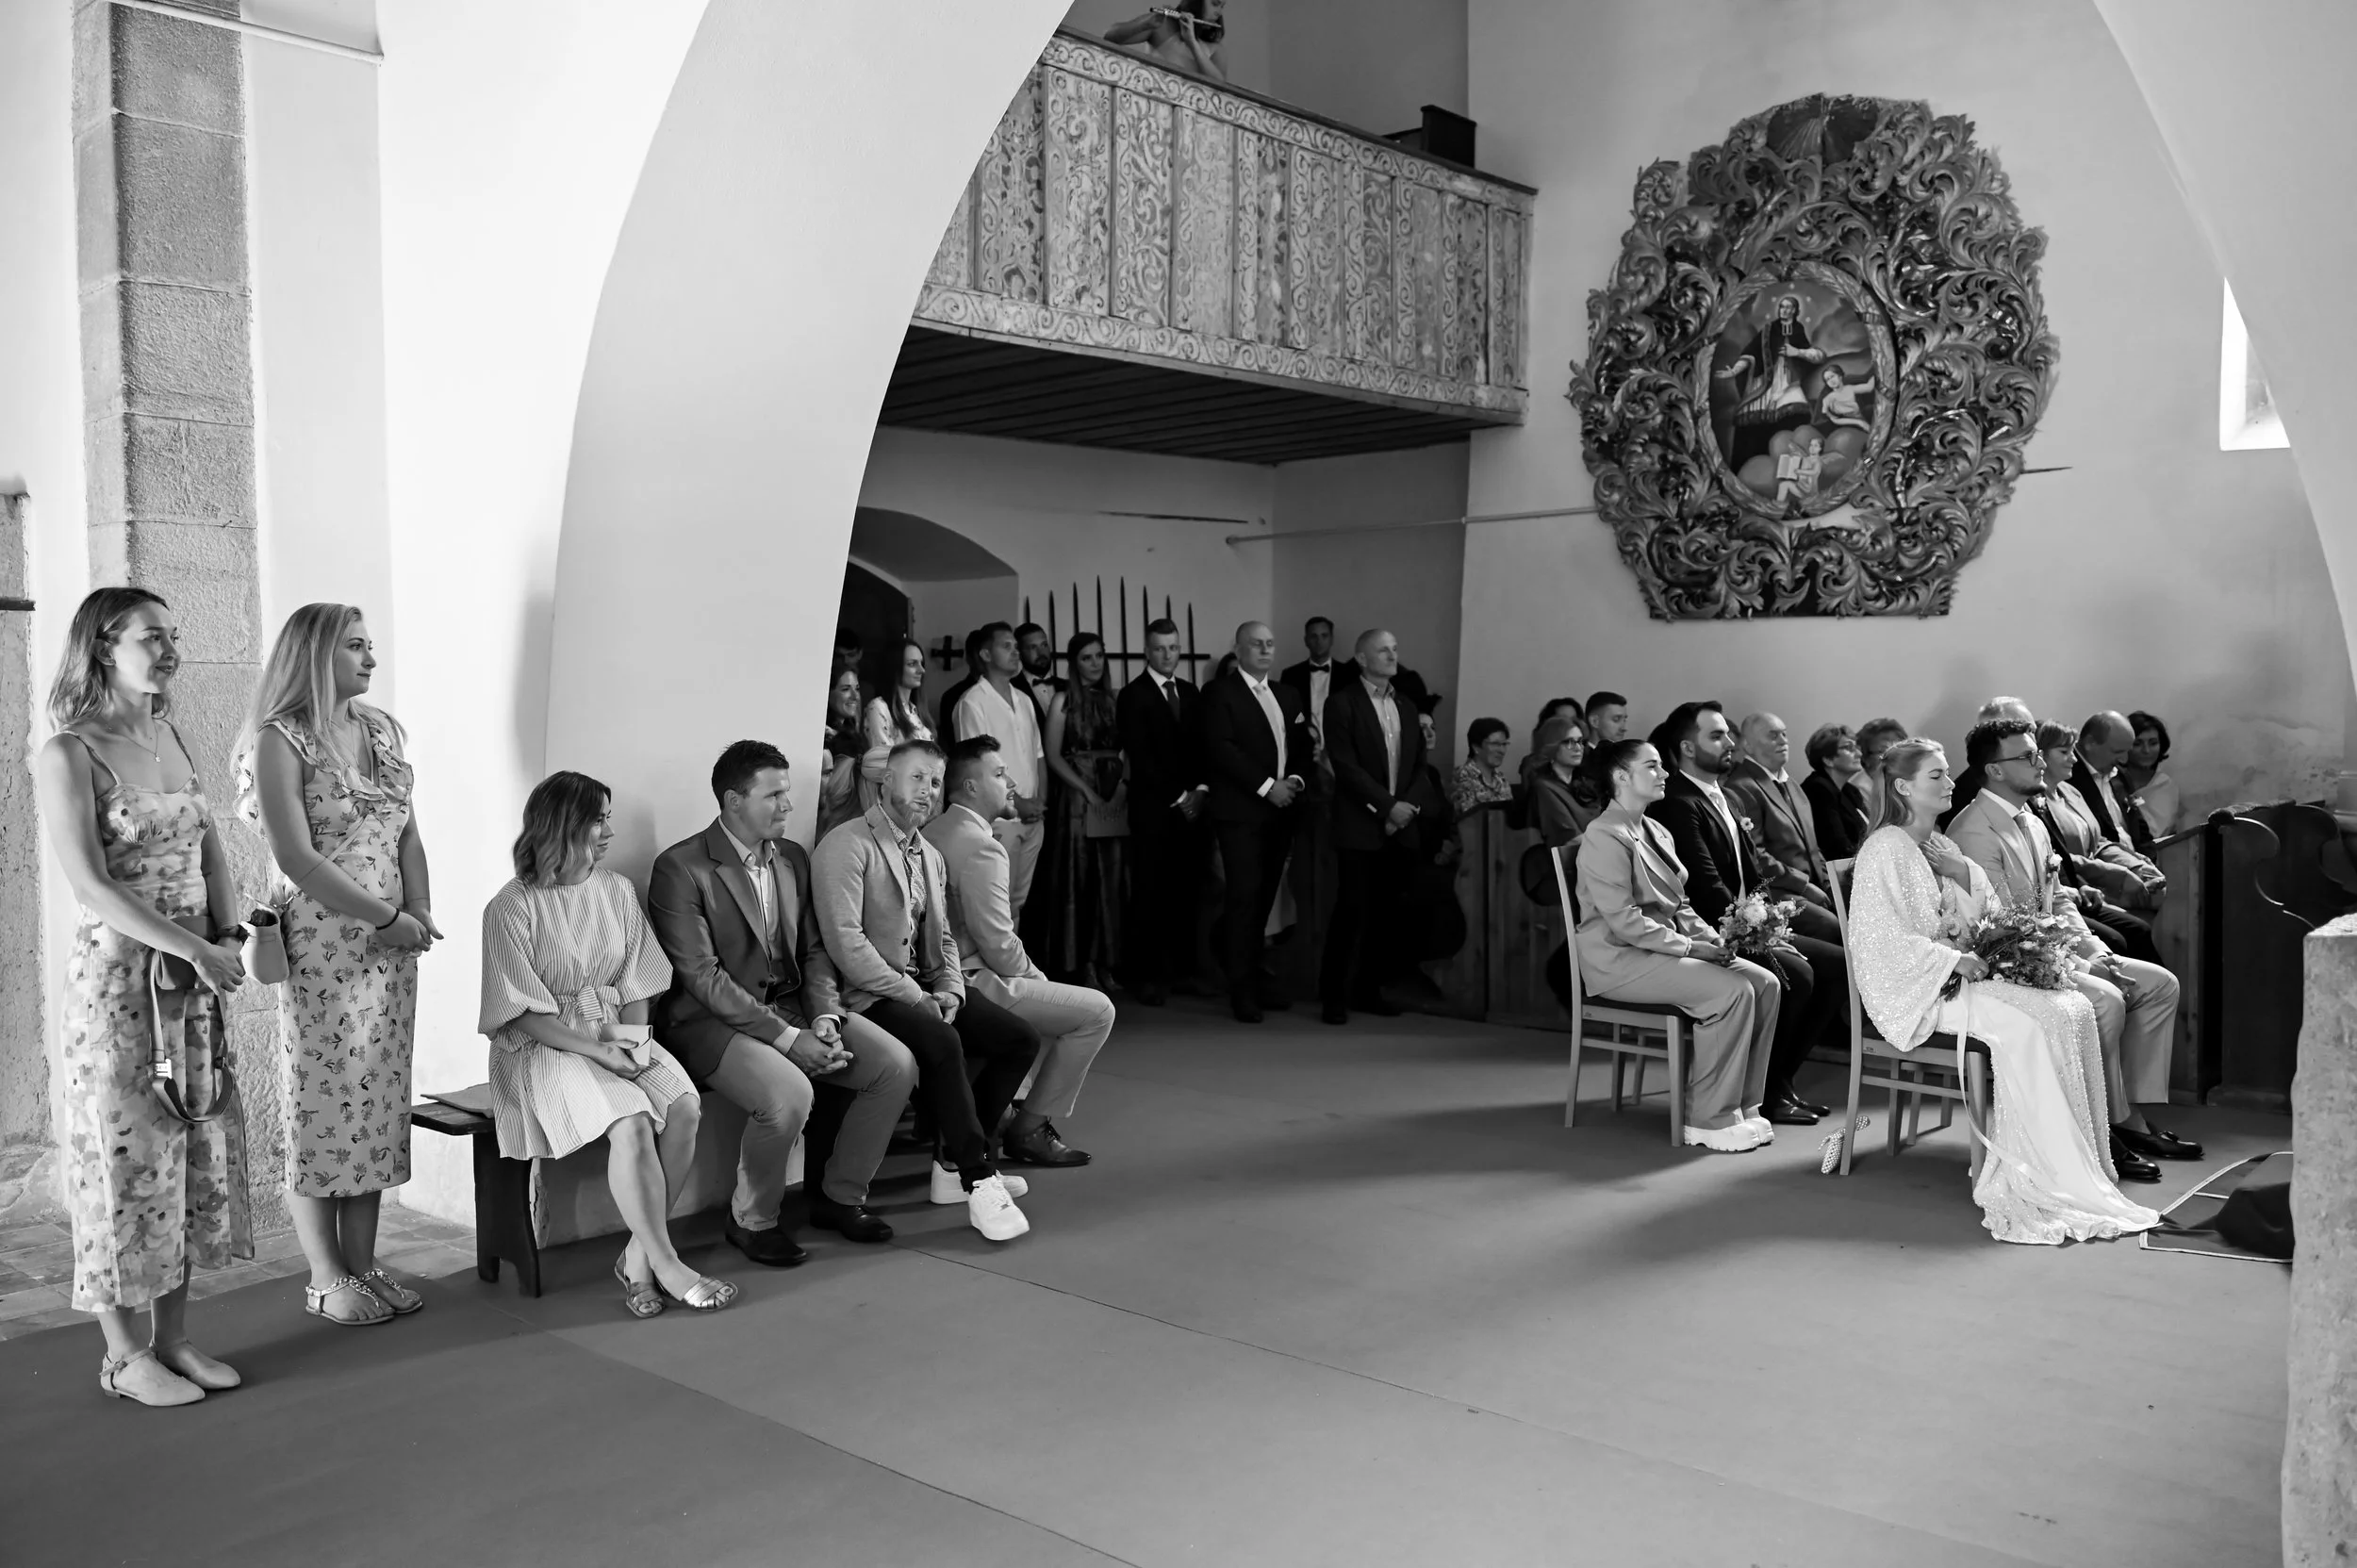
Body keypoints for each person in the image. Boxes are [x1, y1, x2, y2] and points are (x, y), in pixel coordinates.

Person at [35, 588, 252, 1405]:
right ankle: (123, 1358)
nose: (169, 649)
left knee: (187, 1151)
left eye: (173, 634)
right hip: (120, 986)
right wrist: (193, 946)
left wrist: (226, 936)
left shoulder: (169, 734)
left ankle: (175, 1340)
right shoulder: (68, 753)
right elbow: (90, 884)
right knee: (121, 1160)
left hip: (192, 976)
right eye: (151, 636)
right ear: (102, 648)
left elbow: (209, 845)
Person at [1845, 739, 2163, 1246]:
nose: (1951, 784)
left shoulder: (1936, 843)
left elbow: (1983, 914)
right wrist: (1953, 959)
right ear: (1904, 787)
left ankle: (2075, 1163)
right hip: (1922, 987)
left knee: (2074, 1006)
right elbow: (1879, 941)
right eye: (1937, 777)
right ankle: (2039, 1173)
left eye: (1948, 774)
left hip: (1962, 974)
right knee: (2033, 1022)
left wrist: (1961, 872)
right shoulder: (1884, 848)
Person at [238, 602, 436, 1328]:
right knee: (323, 1101)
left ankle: (366, 1260)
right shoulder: (279, 739)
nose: (370, 657)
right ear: (315, 654)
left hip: (391, 941)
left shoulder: (380, 730)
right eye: (355, 645)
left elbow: (406, 829)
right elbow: (295, 856)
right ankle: (325, 1274)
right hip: (324, 941)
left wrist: (418, 904)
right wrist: (385, 916)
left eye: (370, 644)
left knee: (377, 1098)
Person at [479, 772, 737, 1316]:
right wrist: (597, 1050)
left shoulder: (616, 890)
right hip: (545, 1048)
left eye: (607, 819)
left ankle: (638, 1257)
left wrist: (635, 1043)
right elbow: (520, 1014)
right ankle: (668, 1264)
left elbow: (639, 978)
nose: (608, 832)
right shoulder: (510, 907)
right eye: (598, 819)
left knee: (684, 1107)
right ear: (562, 826)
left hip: (616, 1030)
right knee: (633, 1122)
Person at [649, 742, 918, 1258]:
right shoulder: (680, 868)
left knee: (894, 1065)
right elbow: (701, 977)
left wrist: (823, 1017)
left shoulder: (793, 857)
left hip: (793, 1005)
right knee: (789, 1095)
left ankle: (840, 1198)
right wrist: (789, 1039)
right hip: (707, 1024)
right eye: (774, 795)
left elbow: (814, 951)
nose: (788, 807)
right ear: (732, 801)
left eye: (787, 794)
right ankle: (752, 1221)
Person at [1943, 720, 2200, 1181]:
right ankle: (2104, 1123)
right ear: (1994, 771)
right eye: (2026, 757)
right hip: (2005, 964)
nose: (2040, 761)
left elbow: (2057, 899)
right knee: (2106, 998)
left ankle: (2128, 1113)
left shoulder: (2033, 822)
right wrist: (2083, 965)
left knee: (2159, 984)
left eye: (2037, 753)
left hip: (2048, 949)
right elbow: (2002, 926)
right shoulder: (1975, 831)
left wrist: (2096, 950)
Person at [810, 740, 1040, 1240]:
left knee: (1018, 1039)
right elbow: (846, 947)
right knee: (941, 1041)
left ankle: (955, 1162)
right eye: (916, 778)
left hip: (923, 989)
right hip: (867, 996)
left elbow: (947, 938)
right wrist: (919, 998)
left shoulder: (930, 854)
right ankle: (978, 1179)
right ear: (886, 780)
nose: (927, 791)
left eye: (935, 783)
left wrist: (952, 990)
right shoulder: (845, 844)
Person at [1574, 738, 1783, 1152]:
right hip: (1620, 959)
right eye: (1651, 766)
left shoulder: (1655, 829)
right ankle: (1707, 1117)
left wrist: (1716, 941)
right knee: (1732, 991)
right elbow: (1625, 921)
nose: (1664, 773)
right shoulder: (1603, 835)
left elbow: (1681, 906)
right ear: (1621, 777)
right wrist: (1693, 950)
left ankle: (1743, 1106)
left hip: (1659, 951)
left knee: (1765, 984)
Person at [1647, 701, 1846, 1126]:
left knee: (1838, 967)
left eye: (1728, 734)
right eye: (1716, 736)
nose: (1729, 743)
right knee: (1802, 974)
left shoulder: (1725, 797)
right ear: (1685, 747)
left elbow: (1752, 872)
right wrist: (1757, 929)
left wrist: (1772, 916)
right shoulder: (1679, 803)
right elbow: (1704, 888)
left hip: (1746, 921)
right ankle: (1765, 1090)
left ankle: (1780, 1083)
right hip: (1711, 932)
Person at [927, 737, 1114, 1167]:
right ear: (970, 787)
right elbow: (998, 943)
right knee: (1096, 1011)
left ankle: (1013, 1108)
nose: (1010, 782)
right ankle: (1028, 1126)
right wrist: (1039, 981)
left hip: (942, 975)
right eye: (998, 774)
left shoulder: (933, 830)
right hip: (972, 981)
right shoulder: (981, 847)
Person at [1200, 620, 1312, 1021]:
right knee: (1244, 898)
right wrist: (1268, 786)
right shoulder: (1220, 692)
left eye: (1270, 644)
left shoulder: (1288, 693)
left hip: (1282, 811)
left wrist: (1294, 781)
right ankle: (1240, 989)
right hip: (1241, 813)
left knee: (1265, 901)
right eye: (1256, 644)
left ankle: (1254, 976)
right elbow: (1221, 749)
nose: (1265, 650)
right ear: (1239, 648)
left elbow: (1302, 746)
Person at [1318, 630, 1427, 1024]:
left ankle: (1370, 989)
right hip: (1362, 825)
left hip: (1401, 824)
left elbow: (1419, 767)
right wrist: (1386, 808)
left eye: (1395, 649)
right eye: (1383, 650)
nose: (1392, 655)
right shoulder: (1342, 704)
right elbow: (1346, 768)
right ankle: (1333, 995)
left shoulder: (1408, 705)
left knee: (1387, 914)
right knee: (1351, 911)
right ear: (1362, 658)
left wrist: (1407, 808)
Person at [1115, 618, 1208, 1006]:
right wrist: (1180, 795)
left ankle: (1183, 972)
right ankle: (1147, 977)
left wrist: (1200, 791)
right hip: (1154, 807)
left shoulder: (1190, 691)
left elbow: (1205, 746)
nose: (1167, 655)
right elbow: (1140, 754)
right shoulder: (1133, 694)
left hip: (1193, 808)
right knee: (1150, 892)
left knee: (1188, 892)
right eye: (1159, 648)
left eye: (1173, 648)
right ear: (1147, 650)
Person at [1039, 632, 1128, 988]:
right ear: (1075, 664)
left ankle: (1108, 961)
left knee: (1112, 878)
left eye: (1099, 656)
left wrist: (1121, 786)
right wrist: (1085, 789)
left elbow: (1128, 749)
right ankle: (1082, 964)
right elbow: (1053, 755)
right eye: (1087, 658)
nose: (1095, 663)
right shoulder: (1063, 701)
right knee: (1081, 878)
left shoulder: (1116, 699)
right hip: (1078, 798)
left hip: (1113, 795)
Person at [952, 622, 1049, 918]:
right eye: (1006, 646)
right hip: (1000, 817)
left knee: (1018, 903)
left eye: (1016, 646)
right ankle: (991, 966)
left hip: (1033, 815)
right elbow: (977, 766)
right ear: (985, 653)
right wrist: (1017, 803)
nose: (1015, 651)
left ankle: (1011, 965)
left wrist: (1039, 802)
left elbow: (1038, 755)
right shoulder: (973, 702)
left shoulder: (1024, 700)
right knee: (996, 904)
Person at [2042, 721, 2166, 912]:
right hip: (2076, 889)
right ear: (2040, 756)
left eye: (2072, 751)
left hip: (2106, 882)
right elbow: (2055, 856)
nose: (2074, 759)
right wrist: (2116, 874)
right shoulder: (2035, 803)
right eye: (2064, 752)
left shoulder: (2070, 791)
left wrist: (2133, 865)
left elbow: (2098, 841)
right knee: (2135, 930)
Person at [1527, 713, 1601, 1011]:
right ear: (1551, 746)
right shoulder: (1545, 786)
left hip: (1589, 865)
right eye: (1568, 741)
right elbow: (1568, 841)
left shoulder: (1581, 783)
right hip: (1560, 871)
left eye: (1580, 741)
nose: (1576, 747)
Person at [1726, 711, 1834, 909]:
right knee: (1832, 928)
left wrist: (1831, 885)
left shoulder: (1792, 785)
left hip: (1814, 885)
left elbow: (1812, 847)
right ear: (1748, 745)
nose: (1783, 741)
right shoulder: (1741, 787)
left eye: (1784, 734)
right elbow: (1756, 855)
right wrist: (1803, 885)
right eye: (1773, 735)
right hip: (1779, 891)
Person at [862, 635, 935, 818]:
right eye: (912, 664)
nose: (921, 670)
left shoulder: (916, 711)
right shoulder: (878, 708)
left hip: (925, 800)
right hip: (895, 806)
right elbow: (882, 763)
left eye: (921, 663)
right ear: (894, 668)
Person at [2072, 711, 2162, 861]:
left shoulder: (2120, 774)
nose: (2124, 759)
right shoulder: (2068, 778)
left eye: (2127, 751)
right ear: (2090, 743)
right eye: (2118, 751)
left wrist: (2149, 863)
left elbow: (2140, 830)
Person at [1278, 615, 1349, 767]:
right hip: (1302, 754)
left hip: (1340, 755)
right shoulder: (1290, 675)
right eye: (1313, 636)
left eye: (1324, 636)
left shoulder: (1349, 674)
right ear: (1306, 640)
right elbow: (1285, 716)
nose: (1319, 641)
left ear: (1332, 639)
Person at [1101, 0, 1227, 82]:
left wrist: (1192, 43)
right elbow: (1109, 36)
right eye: (1215, 4)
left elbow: (1220, 86)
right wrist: (1144, 24)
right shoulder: (1163, 26)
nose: (1218, 13)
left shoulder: (1215, 49)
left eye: (1222, 6)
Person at [1801, 722, 1871, 861]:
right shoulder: (1818, 790)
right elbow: (1837, 848)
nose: (1859, 754)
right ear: (1828, 759)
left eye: (1857, 747)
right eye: (1848, 748)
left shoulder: (1850, 791)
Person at [817, 665, 866, 840]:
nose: (855, 696)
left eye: (857, 689)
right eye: (845, 689)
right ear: (827, 692)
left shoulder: (852, 732)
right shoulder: (821, 737)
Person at [2121, 710, 2182, 839]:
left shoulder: (2165, 786)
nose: (2146, 750)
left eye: (2153, 743)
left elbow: (2158, 832)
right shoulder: (2111, 781)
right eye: (2137, 744)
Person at [1450, 718, 1516, 814]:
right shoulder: (1464, 776)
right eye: (1495, 744)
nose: (1502, 750)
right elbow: (1468, 820)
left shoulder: (1501, 779)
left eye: (1504, 744)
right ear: (1476, 747)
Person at [1853, 716, 1909, 825]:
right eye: (1883, 751)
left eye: (1899, 749)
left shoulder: (1902, 780)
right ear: (1865, 757)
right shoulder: (1858, 790)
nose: (1893, 756)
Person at [937, 627, 986, 743]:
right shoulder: (952, 696)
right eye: (980, 654)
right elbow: (949, 742)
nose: (986, 659)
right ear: (969, 658)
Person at [1016, 621, 1062, 698]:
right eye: (1033, 647)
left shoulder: (1069, 687)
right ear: (1019, 653)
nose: (1041, 653)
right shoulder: (1011, 688)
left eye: (1044, 645)